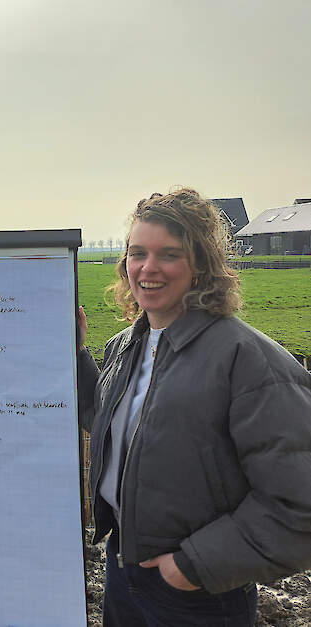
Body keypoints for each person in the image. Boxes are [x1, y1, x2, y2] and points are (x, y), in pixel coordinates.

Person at [77, 187, 311, 626]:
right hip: (122, 569)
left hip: (197, 595)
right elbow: (110, 424)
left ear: (202, 266)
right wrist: (75, 353)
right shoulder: (126, 345)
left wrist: (190, 567)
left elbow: (299, 502)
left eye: (169, 254)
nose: (147, 268)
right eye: (137, 253)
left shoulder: (248, 361)